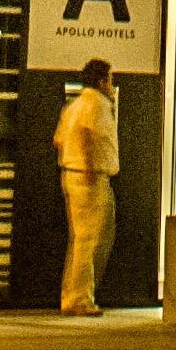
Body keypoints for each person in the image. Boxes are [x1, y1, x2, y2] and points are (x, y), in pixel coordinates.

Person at [55, 55, 121, 314]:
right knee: (88, 241)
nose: (111, 85)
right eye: (110, 79)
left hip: (72, 174)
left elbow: (58, 140)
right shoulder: (96, 105)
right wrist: (91, 166)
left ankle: (74, 295)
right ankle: (79, 300)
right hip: (89, 177)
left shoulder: (74, 105)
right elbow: (86, 134)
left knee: (82, 239)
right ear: (102, 80)